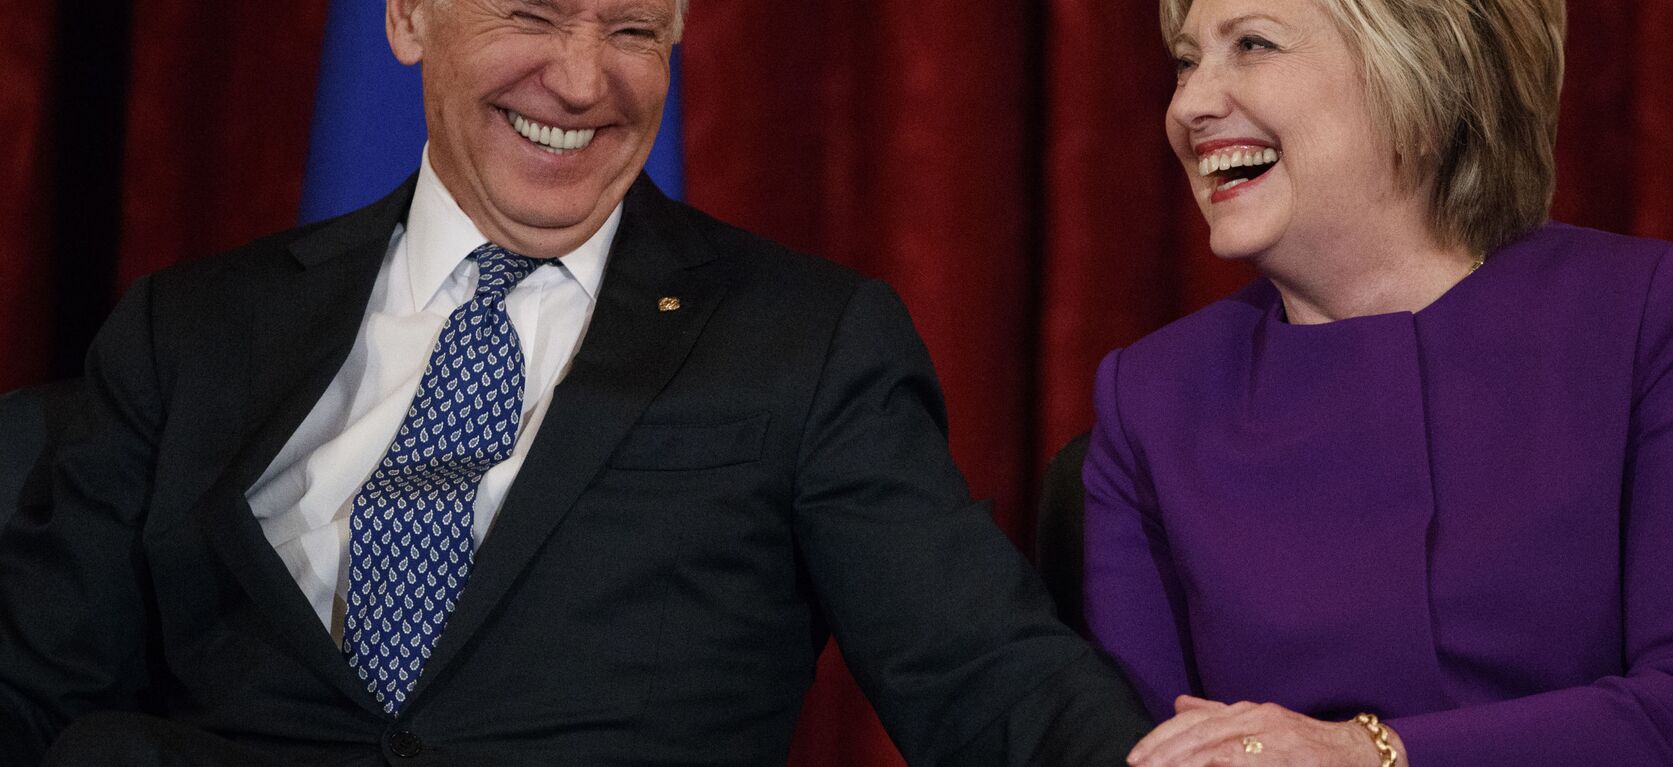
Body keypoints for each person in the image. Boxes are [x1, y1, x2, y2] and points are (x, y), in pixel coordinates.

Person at [0, 0, 1150, 763]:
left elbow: (980, 668)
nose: (584, 78)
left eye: (636, 28)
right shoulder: (196, 327)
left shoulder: (805, 339)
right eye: (535, 11)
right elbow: (37, 677)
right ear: (408, 16)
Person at [1083, 0, 1673, 765]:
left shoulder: (1644, 312)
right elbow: (1155, 748)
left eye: (1253, 44)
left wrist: (1367, 753)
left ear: (1423, 76)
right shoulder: (1149, 399)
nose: (1189, 104)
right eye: (1187, 61)